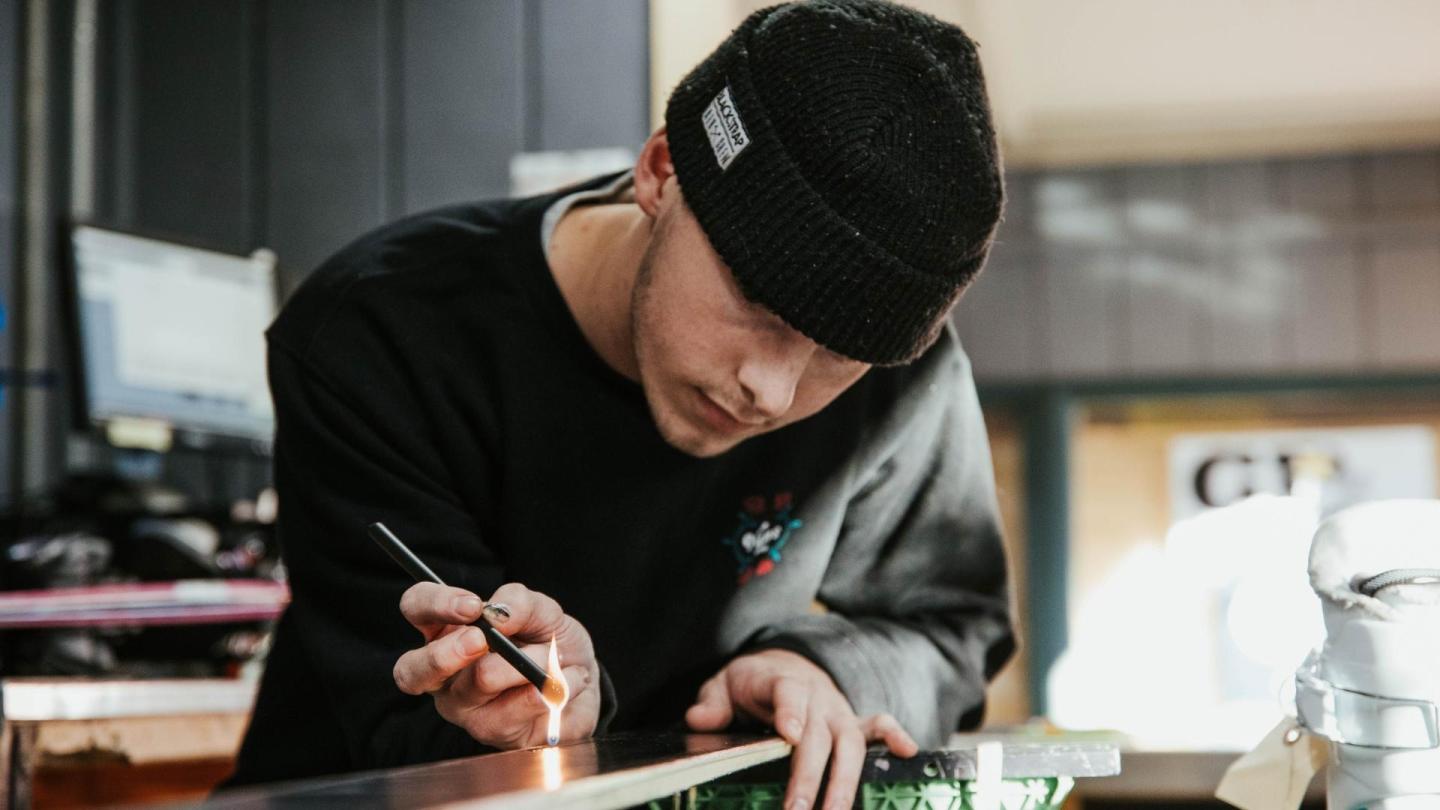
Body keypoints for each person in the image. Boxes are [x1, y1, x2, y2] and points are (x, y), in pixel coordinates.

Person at [224, 2, 1014, 809]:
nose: (769, 392)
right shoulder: (380, 333)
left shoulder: (900, 377)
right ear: (662, 171)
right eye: (759, 309)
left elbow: (952, 629)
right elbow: (413, 724)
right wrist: (535, 706)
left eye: (837, 356)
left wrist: (821, 666)